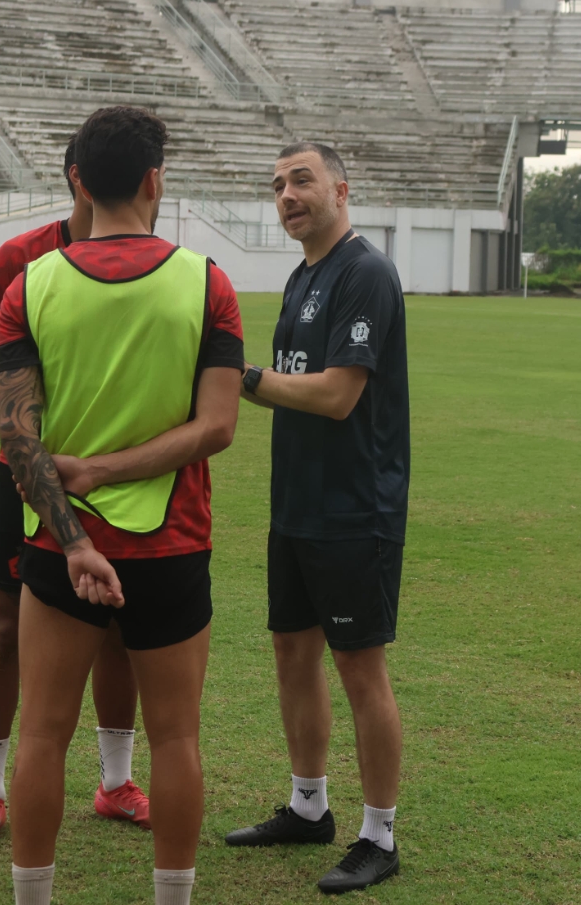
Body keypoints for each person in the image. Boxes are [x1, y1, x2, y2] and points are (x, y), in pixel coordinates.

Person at [0, 106, 243, 905]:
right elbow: (217, 427)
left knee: (41, 734)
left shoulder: (28, 286)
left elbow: (21, 445)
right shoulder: (207, 282)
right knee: (174, 737)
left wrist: (71, 539)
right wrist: (107, 472)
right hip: (173, 545)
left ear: (79, 179)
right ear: (153, 178)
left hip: (58, 553)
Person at [226, 142, 409, 896]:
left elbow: (337, 394)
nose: (287, 195)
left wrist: (241, 379)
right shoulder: (305, 274)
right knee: (292, 653)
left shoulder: (364, 271)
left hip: (351, 506)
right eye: (276, 186)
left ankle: (379, 834)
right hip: (296, 503)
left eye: (301, 180)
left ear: (340, 187)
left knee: (360, 667)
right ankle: (309, 807)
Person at [0, 134, 148, 854]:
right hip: (32, 472)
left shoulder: (151, 259)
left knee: (119, 626)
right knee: (5, 628)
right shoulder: (18, 260)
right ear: (78, 178)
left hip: (122, 474)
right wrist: (40, 428)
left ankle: (116, 782)